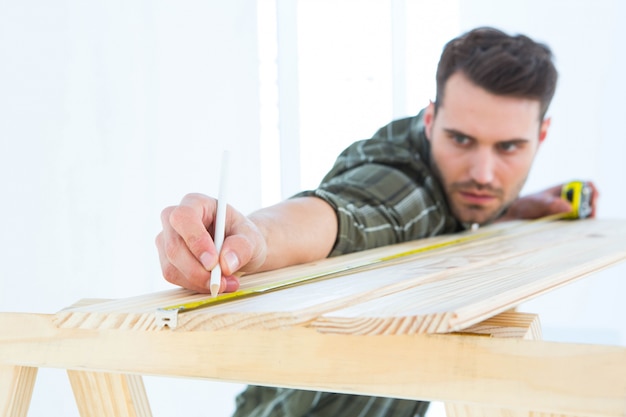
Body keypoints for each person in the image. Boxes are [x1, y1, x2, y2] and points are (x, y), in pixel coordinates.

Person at [156, 27, 598, 417]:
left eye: (508, 149)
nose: (483, 174)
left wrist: (515, 206)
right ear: (430, 119)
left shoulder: (463, 188)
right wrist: (255, 237)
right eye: (461, 139)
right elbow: (344, 210)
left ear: (541, 135)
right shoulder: (400, 183)